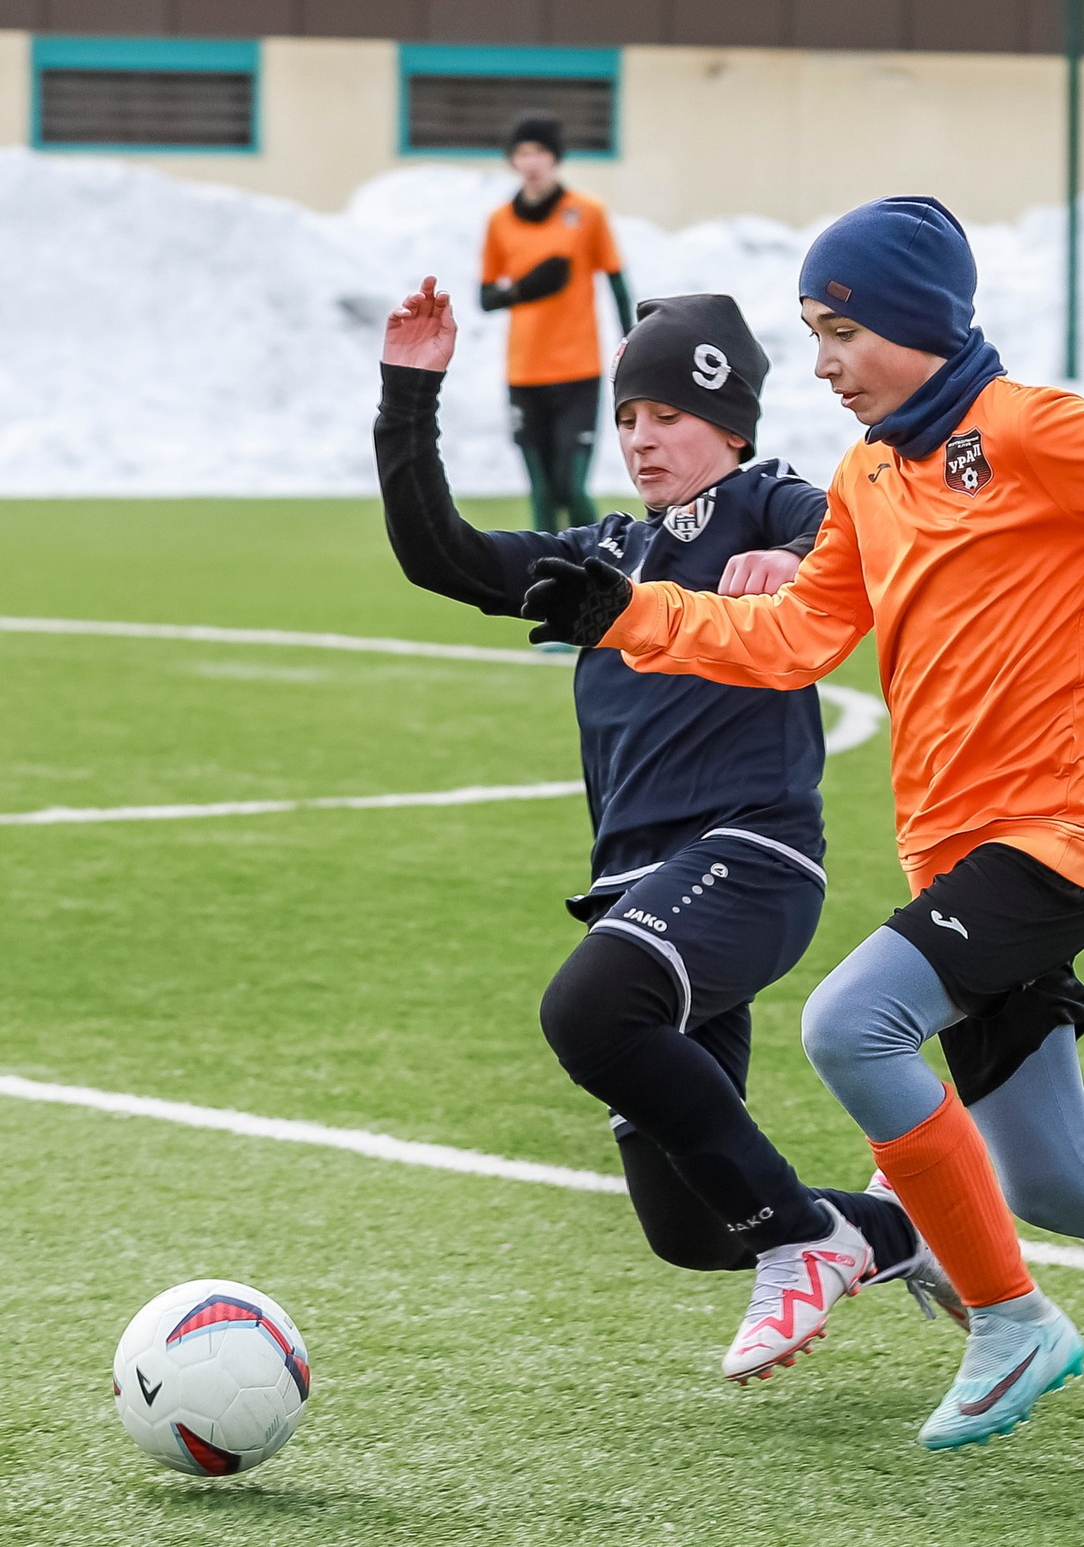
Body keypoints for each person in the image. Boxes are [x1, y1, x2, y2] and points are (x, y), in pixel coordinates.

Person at [523, 196, 1084, 1451]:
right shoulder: (869, 476)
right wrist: (627, 613)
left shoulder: (1027, 429)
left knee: (851, 1024)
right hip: (955, 856)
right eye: (813, 333)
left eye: (843, 331)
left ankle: (1009, 1321)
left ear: (913, 322)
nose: (826, 362)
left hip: (1054, 841)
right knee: (1061, 1176)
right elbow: (792, 641)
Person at [376, 275, 961, 1382]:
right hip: (646, 892)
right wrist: (408, 395)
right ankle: (900, 1229)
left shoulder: (771, 501)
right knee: (688, 1226)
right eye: (628, 418)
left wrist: (803, 567)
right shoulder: (608, 556)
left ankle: (808, 1236)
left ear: (728, 423)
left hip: (751, 862)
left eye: (669, 417)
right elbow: (438, 558)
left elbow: (882, 537)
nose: (642, 440)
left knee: (588, 1011)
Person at [479, 112, 632, 533]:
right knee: (542, 489)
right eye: (522, 152)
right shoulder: (499, 221)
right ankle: (542, 578)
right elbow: (486, 297)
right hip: (525, 371)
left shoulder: (587, 213)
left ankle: (605, 566)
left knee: (572, 485)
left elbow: (617, 281)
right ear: (512, 160)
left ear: (555, 158)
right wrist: (527, 288)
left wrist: (633, 343)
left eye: (540, 152)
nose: (531, 162)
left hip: (578, 368)